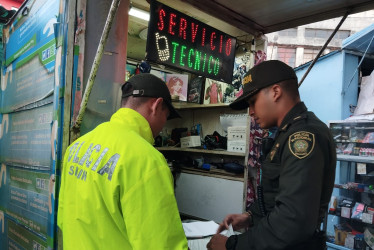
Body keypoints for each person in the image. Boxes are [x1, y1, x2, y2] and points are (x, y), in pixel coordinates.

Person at [207, 60, 336, 250]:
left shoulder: (303, 137)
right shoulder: (285, 133)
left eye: (253, 102)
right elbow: (277, 194)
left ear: (275, 92)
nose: (250, 112)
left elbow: (291, 220)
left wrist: (232, 245)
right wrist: (250, 217)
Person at [57, 73, 188, 249]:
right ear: (156, 106)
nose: (164, 124)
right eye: (166, 116)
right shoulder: (147, 160)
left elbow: (64, 218)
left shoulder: (77, 148)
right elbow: (161, 245)